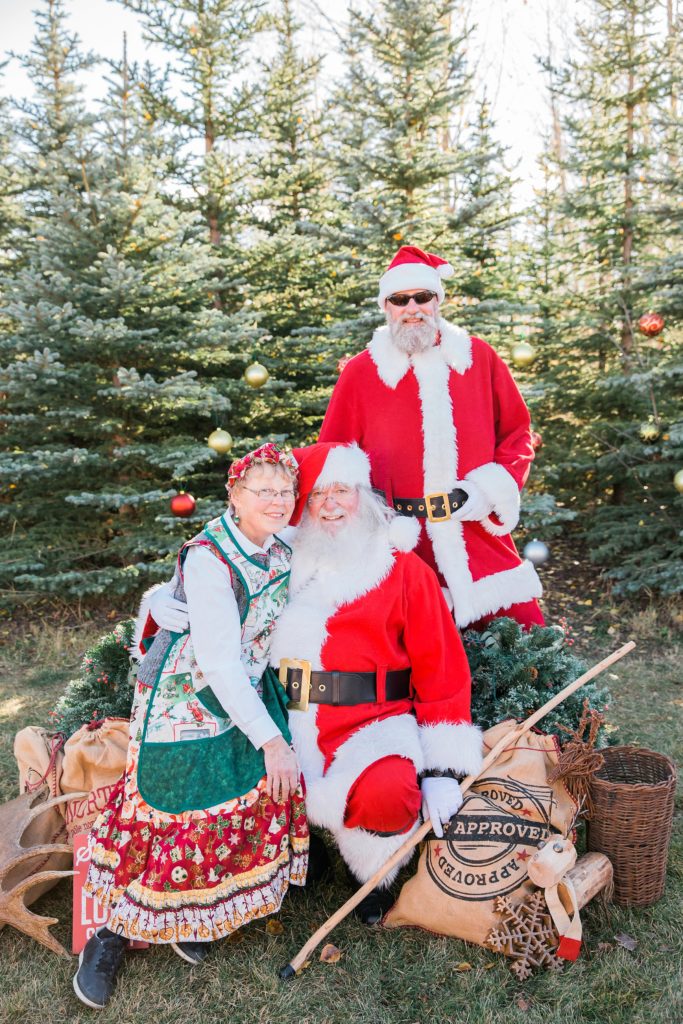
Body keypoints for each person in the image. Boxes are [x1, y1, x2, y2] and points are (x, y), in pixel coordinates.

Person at [73, 443, 308, 1010]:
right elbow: (219, 661)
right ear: (234, 495)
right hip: (185, 698)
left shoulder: (280, 546)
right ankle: (109, 937)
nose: (277, 502)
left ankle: (189, 919)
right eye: (263, 491)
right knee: (164, 813)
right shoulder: (210, 559)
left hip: (238, 692)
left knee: (229, 801)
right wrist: (271, 739)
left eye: (285, 491)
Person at [270, 442, 482, 924]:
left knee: (388, 789)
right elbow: (214, 605)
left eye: (341, 490)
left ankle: (373, 874)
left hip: (370, 722)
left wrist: (442, 772)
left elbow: (441, 667)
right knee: (241, 776)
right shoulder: (274, 564)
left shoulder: (401, 567)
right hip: (281, 721)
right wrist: (164, 605)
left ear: (362, 495)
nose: (330, 504)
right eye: (318, 494)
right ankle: (295, 857)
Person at [318, 244, 544, 632]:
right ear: (386, 307)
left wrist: (487, 491)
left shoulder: (478, 358)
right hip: (397, 540)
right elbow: (333, 458)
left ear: (437, 301)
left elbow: (517, 434)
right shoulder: (359, 373)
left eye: (422, 297)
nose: (412, 308)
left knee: (524, 639)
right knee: (416, 652)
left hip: (475, 528)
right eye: (400, 299)